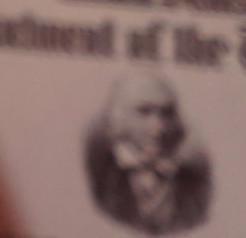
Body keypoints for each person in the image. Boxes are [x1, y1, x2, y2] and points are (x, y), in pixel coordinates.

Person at [86, 70, 213, 234]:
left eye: (166, 113)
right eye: (144, 112)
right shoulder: (96, 174)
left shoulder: (194, 182)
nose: (159, 127)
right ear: (119, 117)